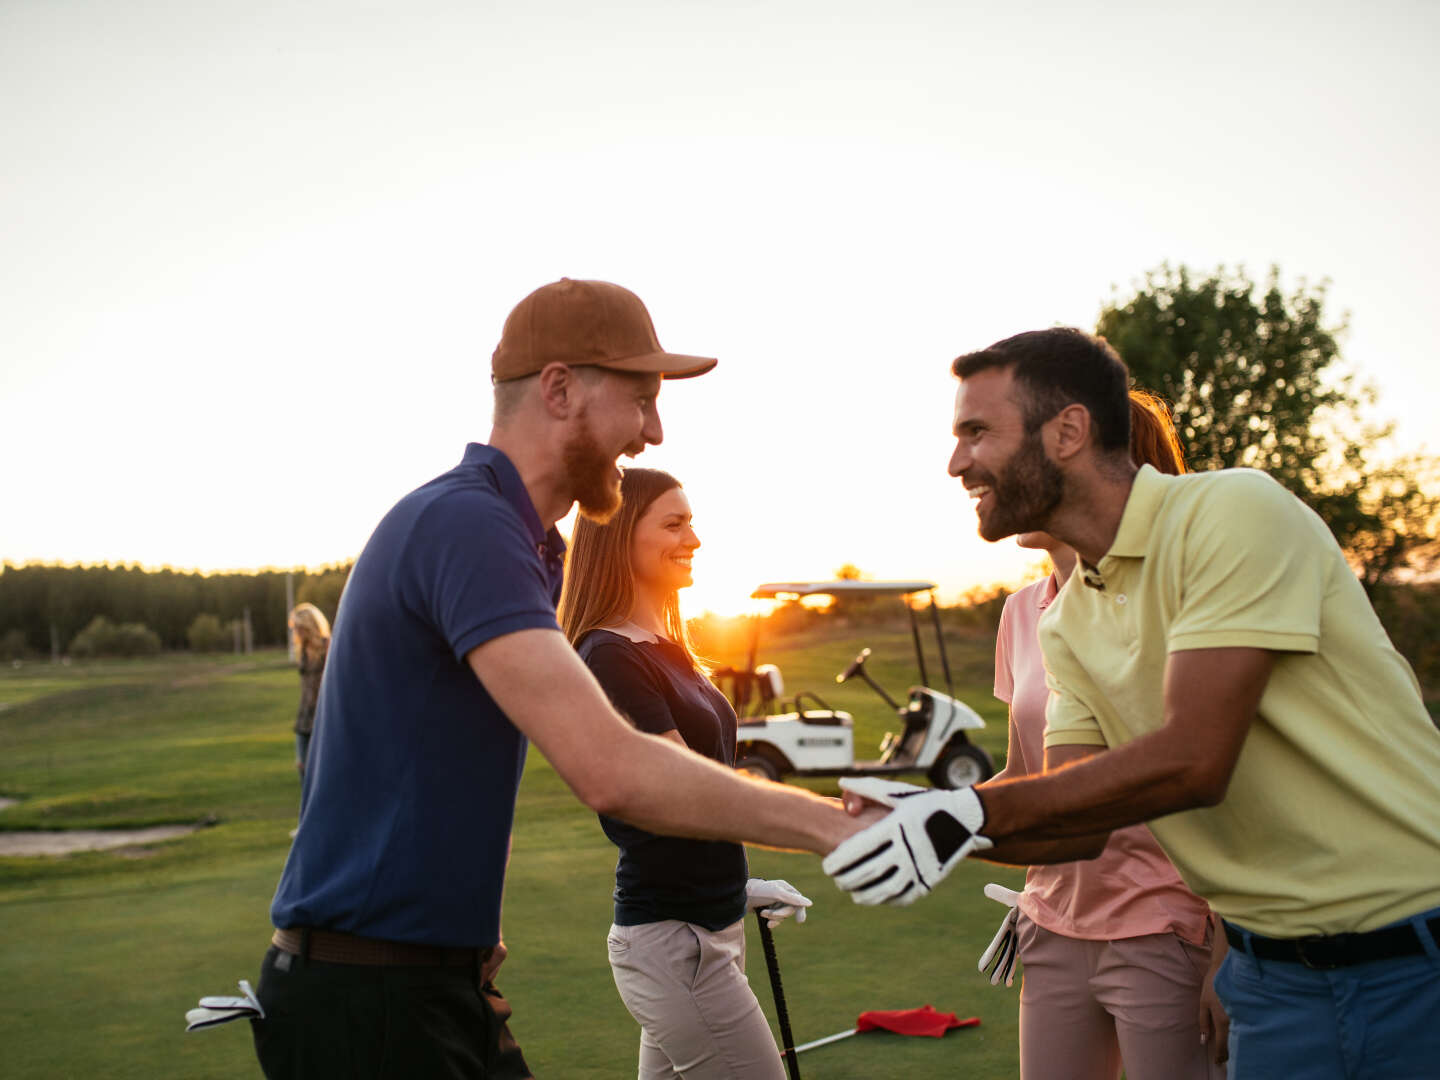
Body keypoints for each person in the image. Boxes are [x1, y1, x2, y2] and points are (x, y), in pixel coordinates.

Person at [252, 278, 877, 1080]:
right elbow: (612, 769)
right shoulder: (468, 525)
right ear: (558, 389)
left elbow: (448, 767)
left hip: (424, 978)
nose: (653, 431)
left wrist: (467, 936)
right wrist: (835, 825)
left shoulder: (519, 543)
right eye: (640, 399)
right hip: (367, 1001)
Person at [825, 327, 1440, 1078]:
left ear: (1068, 431)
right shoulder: (1071, 615)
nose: (957, 463)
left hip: (1417, 953)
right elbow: (1071, 820)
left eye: (977, 433)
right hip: (1273, 980)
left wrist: (969, 816)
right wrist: (929, 821)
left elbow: (1194, 760)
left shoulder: (1231, 511)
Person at [981, 390, 1225, 1080]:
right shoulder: (1021, 614)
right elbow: (1026, 777)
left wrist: (1227, 949)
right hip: (1051, 924)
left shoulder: (1178, 606)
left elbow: (1222, 786)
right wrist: (924, 814)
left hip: (1164, 926)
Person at [559, 467, 810, 1080]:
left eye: (692, 522)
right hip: (677, 946)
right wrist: (829, 823)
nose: (693, 539)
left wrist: (738, 886)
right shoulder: (610, 656)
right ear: (619, 538)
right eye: (674, 524)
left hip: (703, 931)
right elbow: (685, 797)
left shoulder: (667, 648)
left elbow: (697, 807)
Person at [287, 602, 330, 780]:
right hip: (304, 720)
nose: (295, 631)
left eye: (298, 627)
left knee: (321, 774)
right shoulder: (303, 650)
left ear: (308, 626)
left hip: (323, 719)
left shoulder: (327, 647)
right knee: (302, 769)